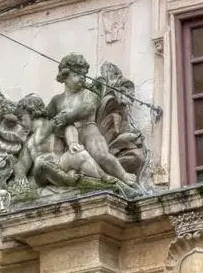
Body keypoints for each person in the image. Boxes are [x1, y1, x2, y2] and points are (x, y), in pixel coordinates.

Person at [46, 53, 138, 187]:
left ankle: (123, 175)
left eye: (84, 74)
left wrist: (66, 117)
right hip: (70, 138)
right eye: (77, 74)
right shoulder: (57, 100)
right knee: (77, 160)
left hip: (89, 131)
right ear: (65, 76)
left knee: (101, 155)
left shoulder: (89, 93)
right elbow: (46, 116)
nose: (82, 78)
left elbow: (87, 108)